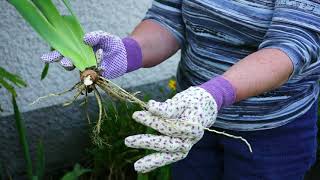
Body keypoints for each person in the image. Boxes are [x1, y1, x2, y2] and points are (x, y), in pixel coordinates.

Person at [41, 0, 320, 179]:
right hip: (189, 124)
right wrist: (127, 51)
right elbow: (169, 19)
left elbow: (290, 47)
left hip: (271, 133)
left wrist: (215, 93)